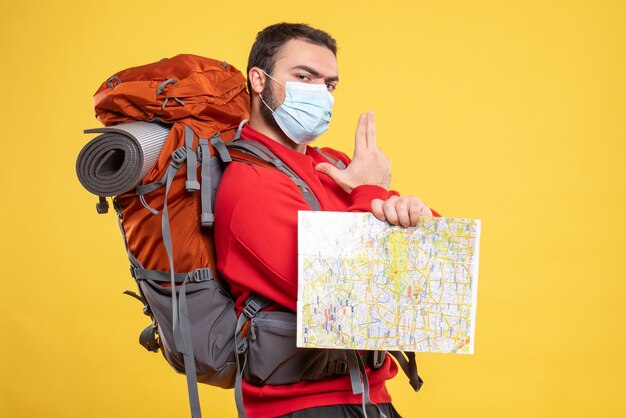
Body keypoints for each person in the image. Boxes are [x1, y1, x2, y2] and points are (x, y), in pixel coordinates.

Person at [214, 23, 439, 418]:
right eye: (304, 77)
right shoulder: (249, 184)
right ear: (258, 80)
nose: (320, 93)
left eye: (329, 84)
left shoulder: (333, 164)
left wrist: (415, 215)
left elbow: (433, 280)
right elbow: (351, 303)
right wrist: (370, 192)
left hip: (373, 400)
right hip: (304, 409)